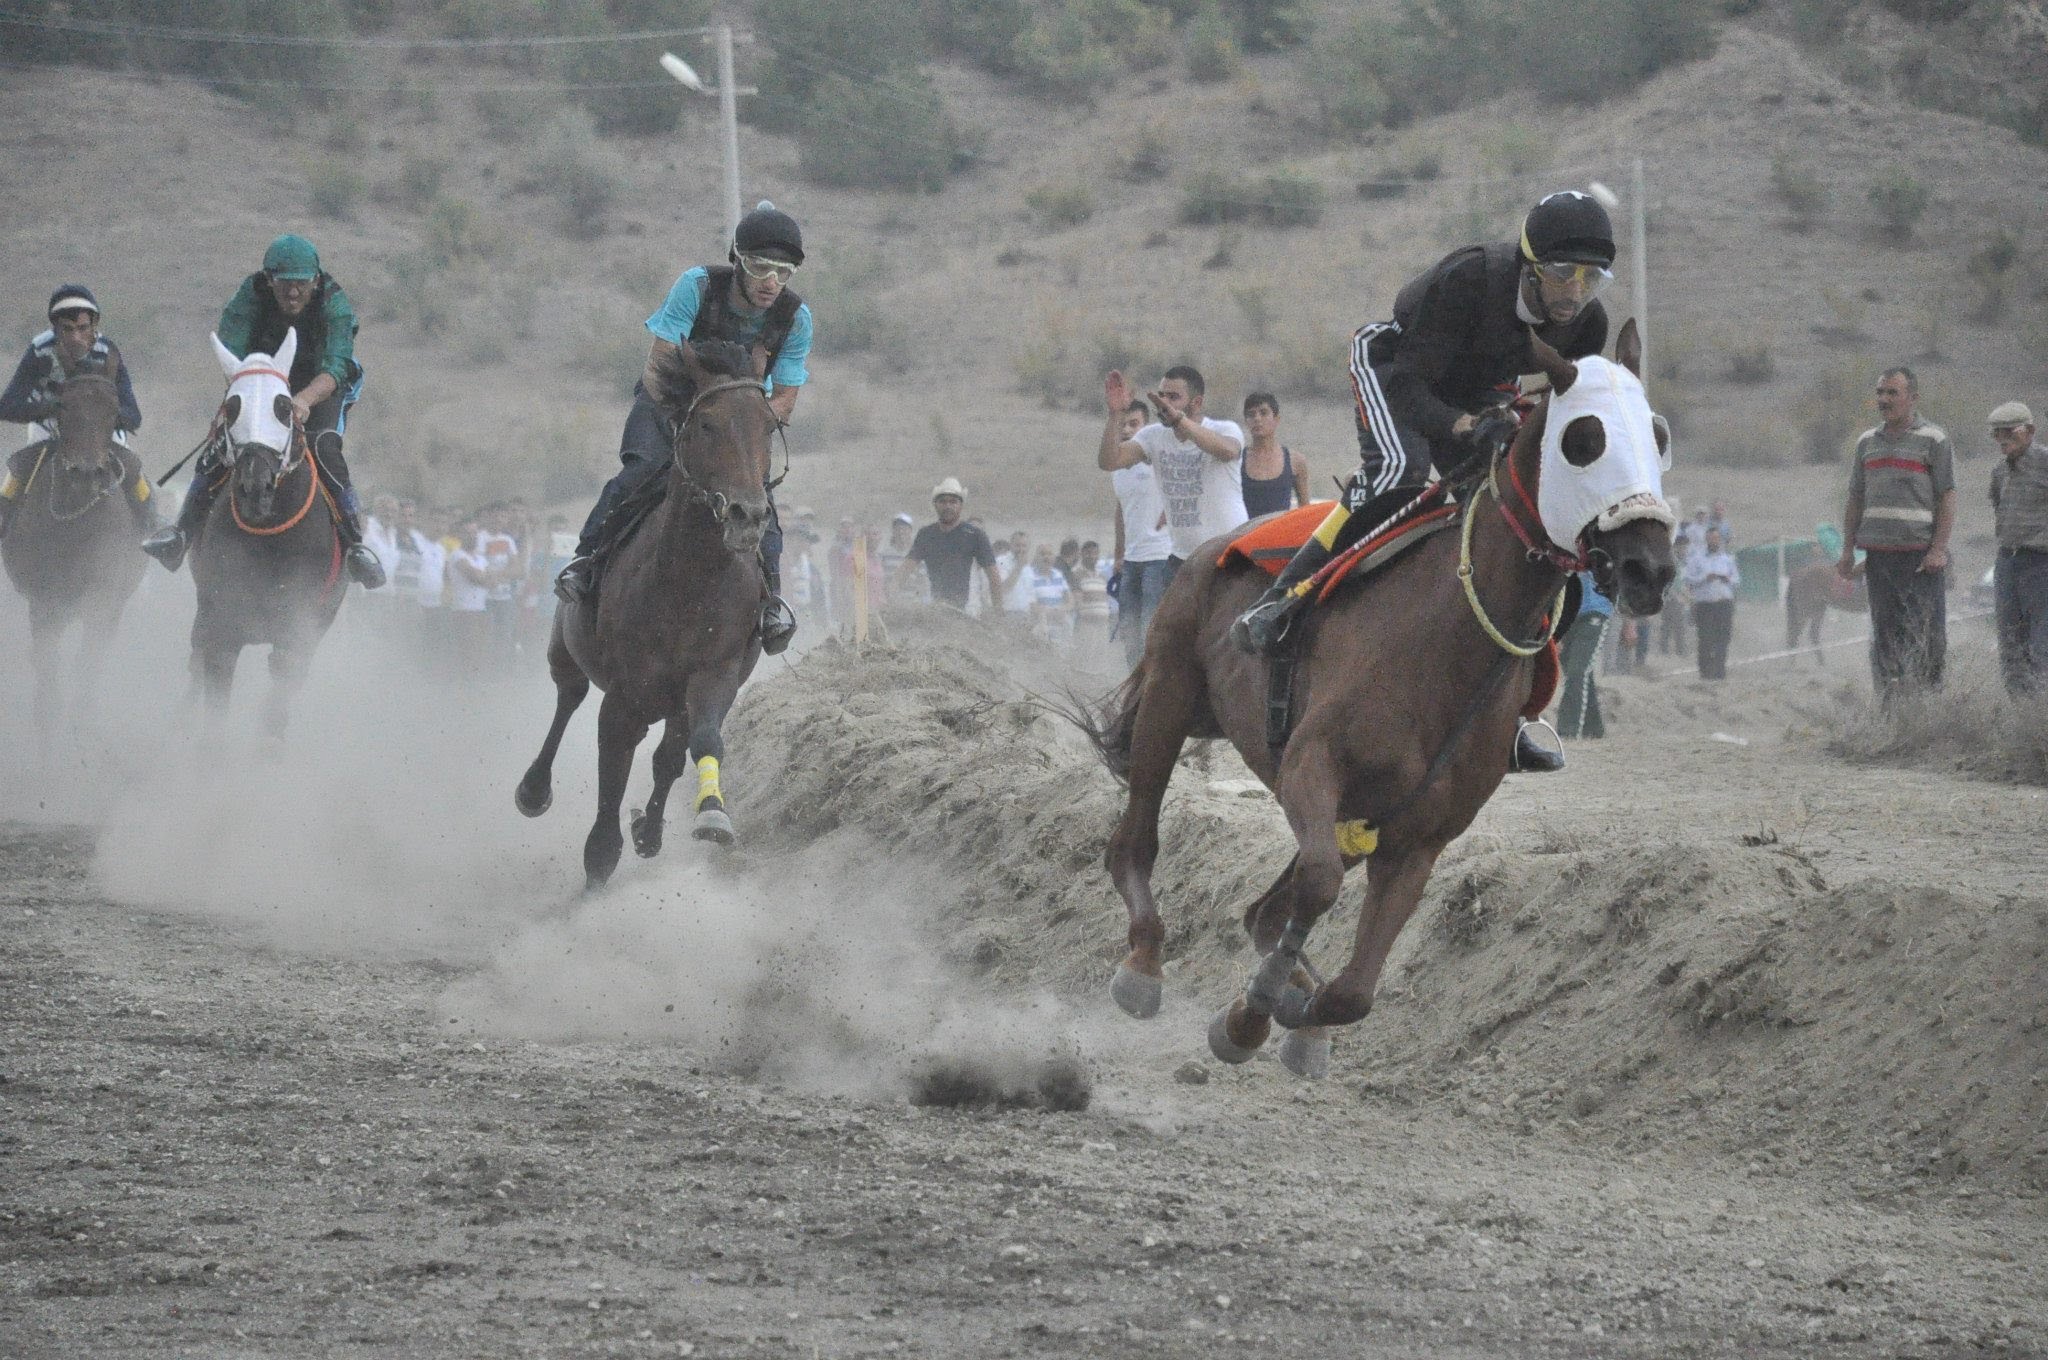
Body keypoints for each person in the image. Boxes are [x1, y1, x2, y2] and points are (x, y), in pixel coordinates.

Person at [1234, 191, 1619, 772]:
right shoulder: (1471, 279)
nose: (1575, 292)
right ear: (1530, 265)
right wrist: (1465, 425)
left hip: (1479, 389)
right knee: (1399, 472)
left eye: (1591, 278)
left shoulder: (1589, 324)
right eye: (1563, 272)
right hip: (1395, 367)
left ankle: (1506, 714)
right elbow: (1411, 387)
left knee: (1514, 524)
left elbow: (1565, 407)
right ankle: (1280, 600)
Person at [553, 202, 812, 655]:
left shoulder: (796, 318)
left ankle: (770, 602)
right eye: (760, 267)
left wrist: (740, 421)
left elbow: (785, 399)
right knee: (644, 471)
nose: (771, 282)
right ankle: (585, 561)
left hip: (738, 422)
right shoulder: (697, 286)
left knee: (759, 499)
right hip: (669, 402)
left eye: (784, 272)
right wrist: (692, 423)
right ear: (738, 261)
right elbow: (659, 365)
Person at [144, 236, 384, 587]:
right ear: (269, 280)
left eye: (302, 284)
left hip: (319, 387)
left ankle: (355, 546)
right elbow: (231, 356)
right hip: (259, 380)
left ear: (315, 281)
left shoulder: (335, 304)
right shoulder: (249, 297)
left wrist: (303, 400)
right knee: (222, 443)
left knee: (325, 447)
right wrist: (245, 399)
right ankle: (180, 534)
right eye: (285, 284)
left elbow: (336, 368)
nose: (293, 293)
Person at [1837, 365, 1955, 702]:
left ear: (1912, 398)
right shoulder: (1866, 443)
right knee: (1884, 637)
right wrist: (1847, 550)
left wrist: (1938, 549)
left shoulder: (1934, 439)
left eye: (1893, 393)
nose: (1884, 400)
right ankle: (1890, 710)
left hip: (1919, 558)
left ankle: (1929, 708)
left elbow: (1947, 495)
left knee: (1926, 636)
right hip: (1878, 558)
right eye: (1880, 392)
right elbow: (1855, 498)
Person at [0, 284, 153, 539]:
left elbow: (133, 414)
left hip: (100, 430)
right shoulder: (39, 350)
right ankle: (5, 518)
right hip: (49, 426)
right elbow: (7, 406)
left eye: (82, 328)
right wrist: (47, 408)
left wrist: (105, 418)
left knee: (132, 465)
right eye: (67, 329)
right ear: (55, 328)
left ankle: (151, 524)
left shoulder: (108, 351)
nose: (75, 337)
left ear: (94, 325)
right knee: (20, 467)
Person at [1098, 365, 1246, 576]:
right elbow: (1110, 461)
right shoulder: (1153, 436)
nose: (1164, 403)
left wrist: (1179, 421)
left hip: (1229, 552)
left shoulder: (1224, 429)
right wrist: (1115, 414)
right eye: (1161, 396)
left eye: (1173, 397)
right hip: (1181, 558)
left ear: (1196, 402)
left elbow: (1228, 451)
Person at [1107, 399, 1173, 670]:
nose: (1126, 430)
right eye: (1122, 425)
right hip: (1131, 561)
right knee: (1129, 630)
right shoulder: (1118, 468)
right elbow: (1121, 510)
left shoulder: (1159, 459)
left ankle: (1152, 683)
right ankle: (1133, 682)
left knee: (1150, 629)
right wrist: (1118, 554)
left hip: (1160, 557)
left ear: (1146, 427)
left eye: (1133, 424)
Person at [1987, 401, 2048, 695]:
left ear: (2030, 431)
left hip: (2041, 563)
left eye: (2009, 431)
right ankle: (2020, 710)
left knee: (2041, 643)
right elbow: (1998, 508)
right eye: (1996, 432)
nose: (2002, 438)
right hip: (2007, 562)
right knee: (2010, 644)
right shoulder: (1999, 472)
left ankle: (2040, 710)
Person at [894, 477, 1004, 611]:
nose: (948, 506)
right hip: (935, 607)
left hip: (967, 610)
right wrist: (891, 596)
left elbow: (994, 577)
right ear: (935, 505)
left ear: (961, 505)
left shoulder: (975, 535)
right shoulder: (926, 534)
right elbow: (905, 570)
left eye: (953, 502)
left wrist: (998, 611)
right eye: (943, 501)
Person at [1555, 570, 1612, 739]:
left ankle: (1568, 730)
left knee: (1577, 671)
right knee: (1578, 672)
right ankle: (1594, 728)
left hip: (1595, 612)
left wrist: (1629, 623)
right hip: (1567, 615)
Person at [1238, 390, 1312, 518]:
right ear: (1246, 421)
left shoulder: (1295, 461)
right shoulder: (1238, 461)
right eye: (1251, 414)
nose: (1257, 419)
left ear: (1276, 419)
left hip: (1281, 529)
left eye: (1263, 413)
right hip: (1247, 529)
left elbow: (1305, 509)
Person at [1687, 526, 1739, 681]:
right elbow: (1688, 579)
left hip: (1724, 603)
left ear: (1719, 540)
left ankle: (1720, 672)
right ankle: (1705, 673)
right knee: (1706, 639)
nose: (1714, 541)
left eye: (1716, 538)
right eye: (1711, 538)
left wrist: (1728, 579)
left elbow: (1736, 580)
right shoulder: (1697, 559)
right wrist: (1704, 578)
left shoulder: (1727, 559)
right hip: (1705, 604)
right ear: (1706, 539)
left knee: (1723, 639)